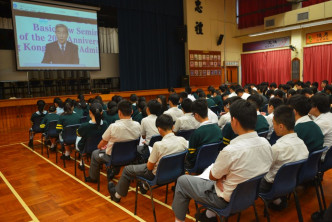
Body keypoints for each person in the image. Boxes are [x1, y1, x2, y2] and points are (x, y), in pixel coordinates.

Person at [172, 99, 273, 222]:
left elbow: (213, 176)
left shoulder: (231, 150)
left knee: (182, 180)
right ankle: (209, 215)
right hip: (250, 195)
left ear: (234, 121)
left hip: (226, 199)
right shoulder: (266, 144)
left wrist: (220, 178)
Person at [108, 114, 187, 203]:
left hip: (157, 175)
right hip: (174, 173)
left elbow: (149, 168)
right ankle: (144, 186)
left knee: (127, 169)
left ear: (159, 129)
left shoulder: (158, 145)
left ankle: (116, 195)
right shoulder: (183, 140)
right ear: (173, 127)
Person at [259, 105, 308, 210]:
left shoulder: (278, 148)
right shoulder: (302, 144)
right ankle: (277, 200)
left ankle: (275, 199)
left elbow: (263, 168)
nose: (273, 127)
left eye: (274, 124)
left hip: (269, 186)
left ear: (281, 126)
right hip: (290, 182)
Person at [85, 100, 141, 183]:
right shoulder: (137, 125)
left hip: (113, 157)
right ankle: (114, 171)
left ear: (119, 112)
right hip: (130, 156)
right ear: (132, 111)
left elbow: (102, 143)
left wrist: (99, 147)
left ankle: (93, 178)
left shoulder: (113, 127)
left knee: (95, 153)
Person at [185, 99, 222, 169]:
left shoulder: (196, 133)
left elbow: (190, 156)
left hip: (197, 165)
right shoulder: (218, 129)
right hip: (214, 162)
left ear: (196, 115)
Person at [76, 103, 108, 170]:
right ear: (101, 112)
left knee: (79, 137)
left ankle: (82, 162)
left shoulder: (85, 126)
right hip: (101, 147)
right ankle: (99, 162)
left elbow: (78, 133)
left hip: (87, 148)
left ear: (89, 112)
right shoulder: (105, 124)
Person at [309, 93, 332, 159]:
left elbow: (307, 141)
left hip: (322, 160)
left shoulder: (320, 123)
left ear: (315, 107)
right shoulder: (329, 115)